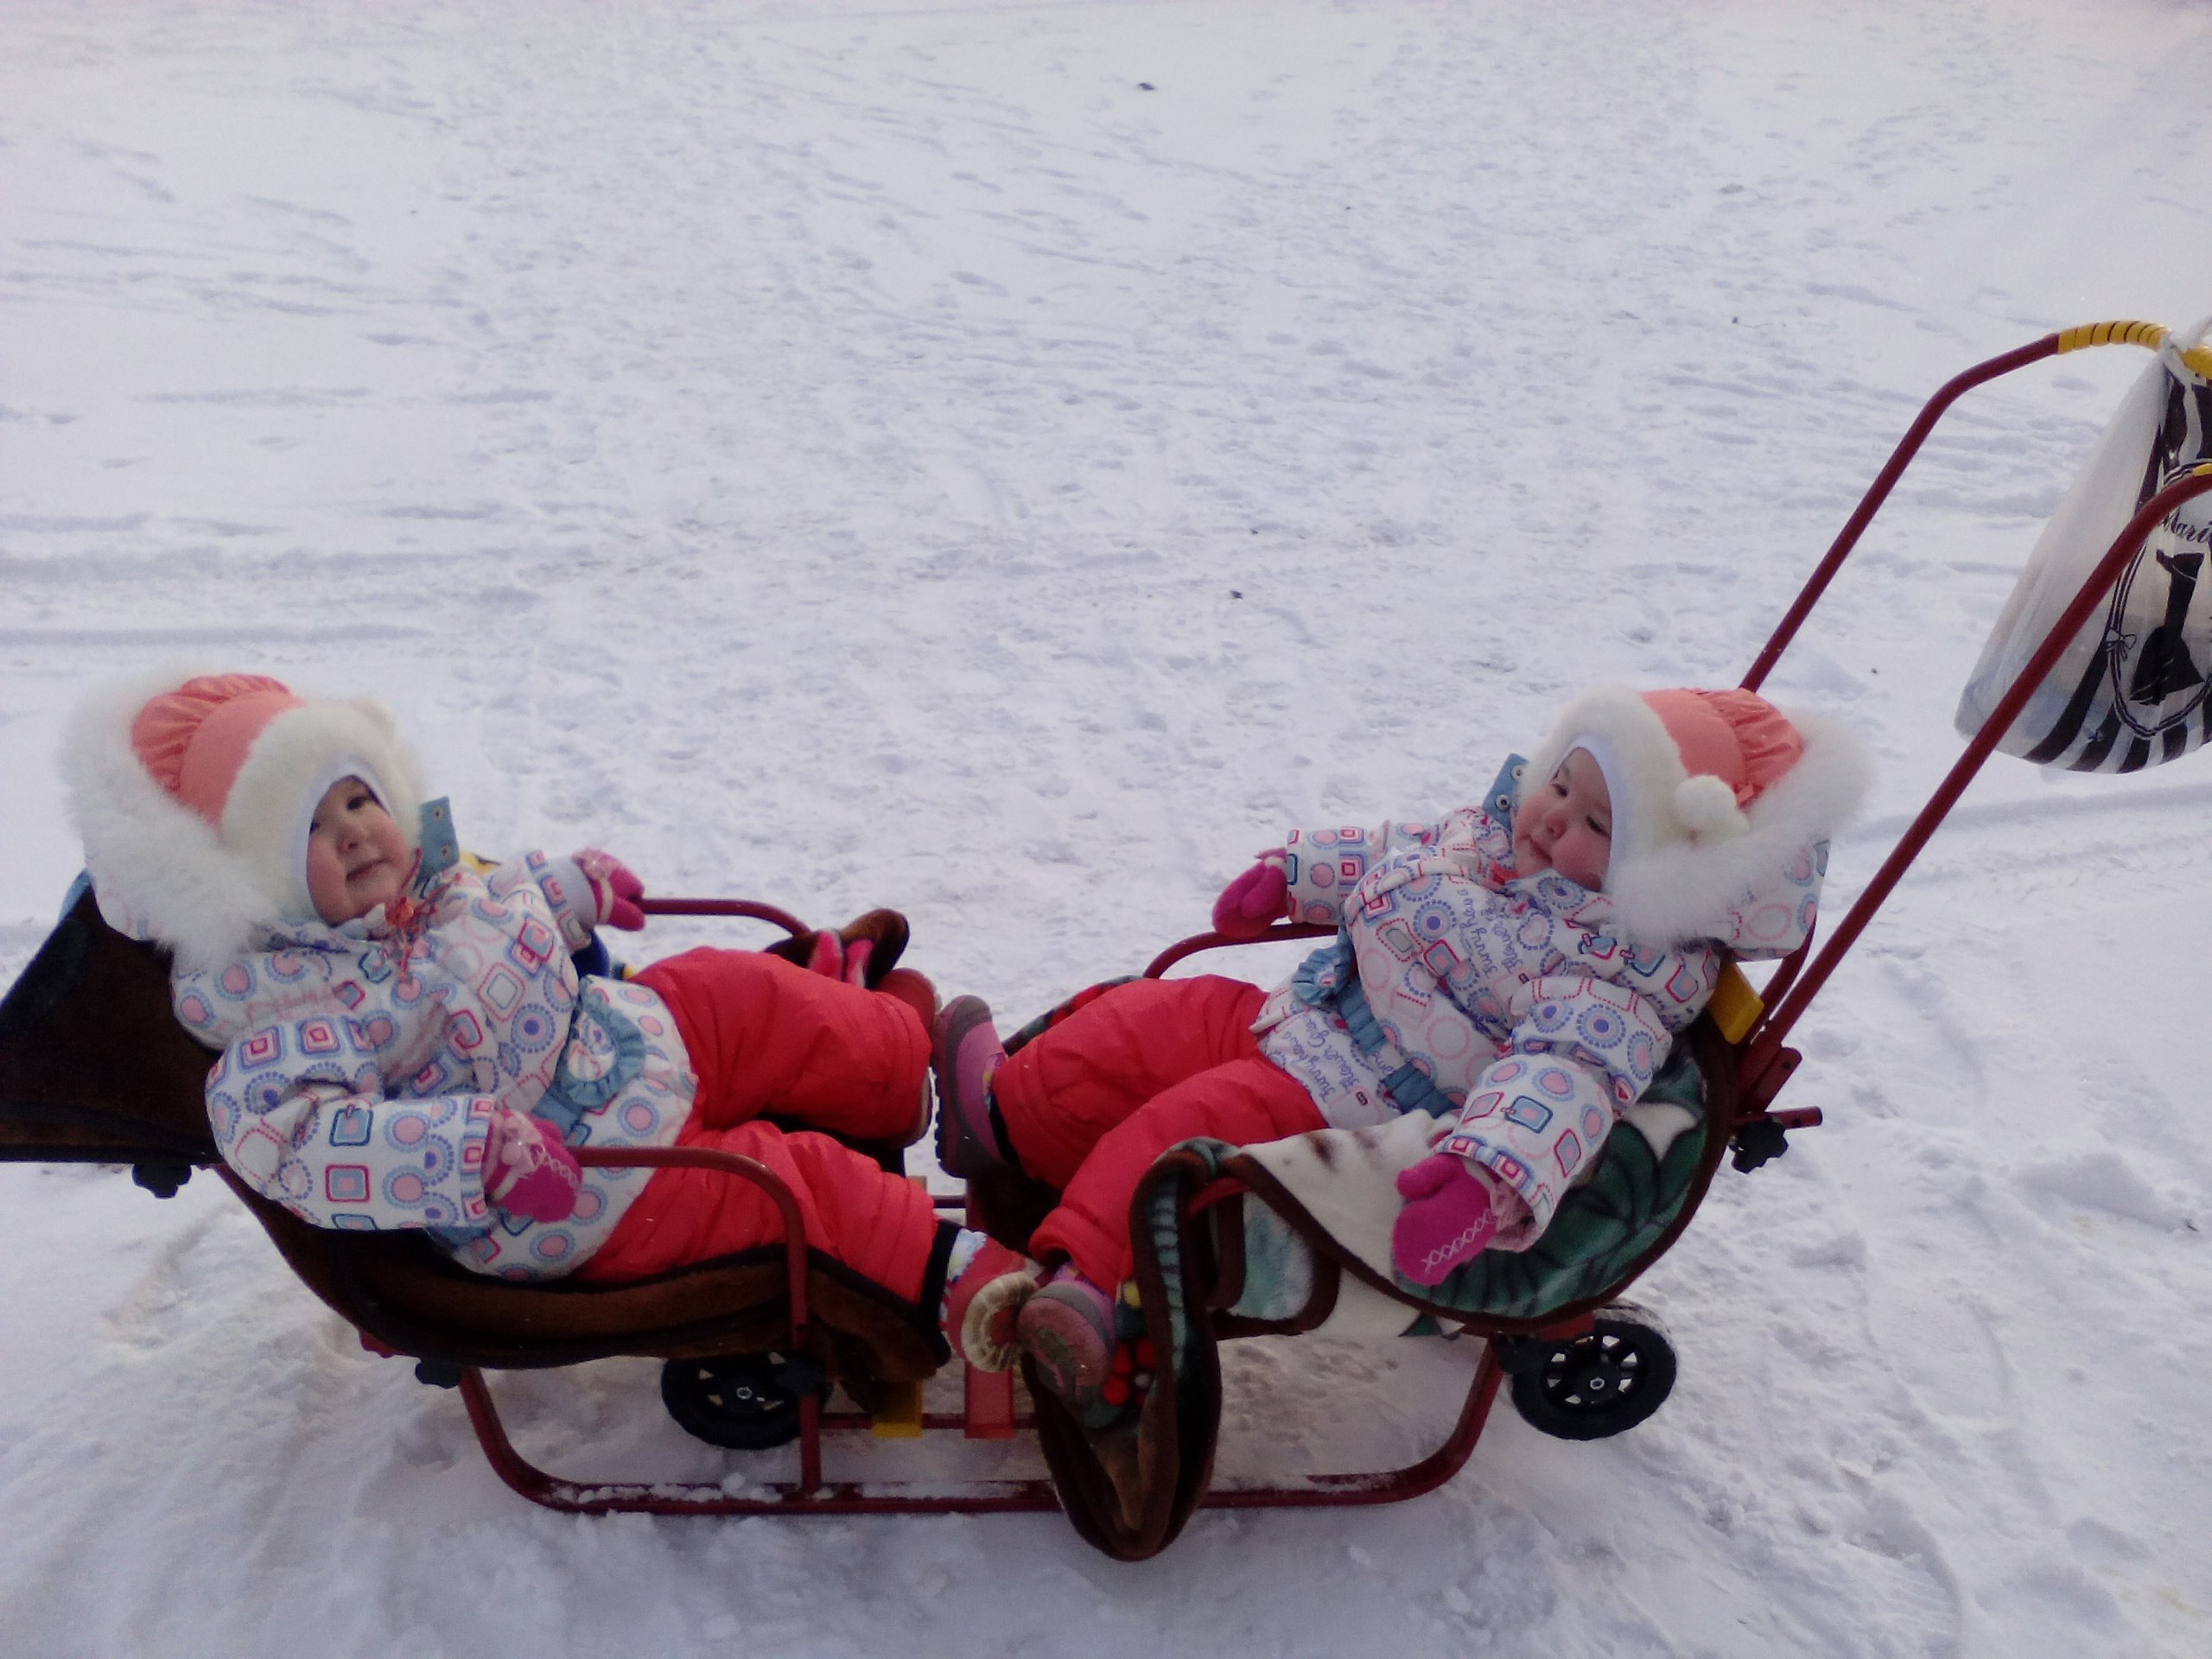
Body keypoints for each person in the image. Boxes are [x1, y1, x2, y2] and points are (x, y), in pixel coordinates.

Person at [932, 685, 1869, 1411]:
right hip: (1304, 1015)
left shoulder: (1611, 983)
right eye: (1561, 785)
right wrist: (1296, 873)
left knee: (1183, 1129)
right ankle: (1013, 1120)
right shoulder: (1496, 840)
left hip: (1354, 1100)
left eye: (1595, 824)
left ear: (1660, 877)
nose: (1550, 819)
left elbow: (1562, 1087)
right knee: (1145, 1021)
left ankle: (1084, 1288)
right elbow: (1401, 848)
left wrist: (1485, 1179)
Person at [60, 671, 1026, 1354]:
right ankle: (961, 1280)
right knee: (781, 1182)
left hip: (618, 1036)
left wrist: (567, 891)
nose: (354, 830)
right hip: (577, 1188)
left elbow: (500, 907)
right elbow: (306, 1146)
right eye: (308, 827)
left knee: (738, 990)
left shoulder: (434, 887)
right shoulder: (281, 1013)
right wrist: (466, 1149)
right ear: (252, 884)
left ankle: (938, 1082)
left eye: (359, 799)